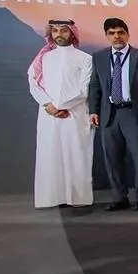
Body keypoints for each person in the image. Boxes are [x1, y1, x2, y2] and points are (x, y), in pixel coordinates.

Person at [27, 19, 94, 209]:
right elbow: (33, 82)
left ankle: (77, 198)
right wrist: (48, 104)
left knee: (76, 155)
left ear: (72, 33)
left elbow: (84, 89)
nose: (59, 34)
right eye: (55, 30)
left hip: (75, 115)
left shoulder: (84, 58)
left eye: (63, 30)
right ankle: (51, 198)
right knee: (50, 155)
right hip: (48, 114)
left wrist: (62, 106)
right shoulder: (43, 58)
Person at [88, 17, 138, 211]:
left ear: (128, 34)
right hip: (109, 114)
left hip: (134, 113)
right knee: (112, 160)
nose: (117, 36)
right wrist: (93, 110)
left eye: (120, 32)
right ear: (107, 36)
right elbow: (95, 85)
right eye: (112, 33)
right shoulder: (99, 57)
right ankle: (119, 198)